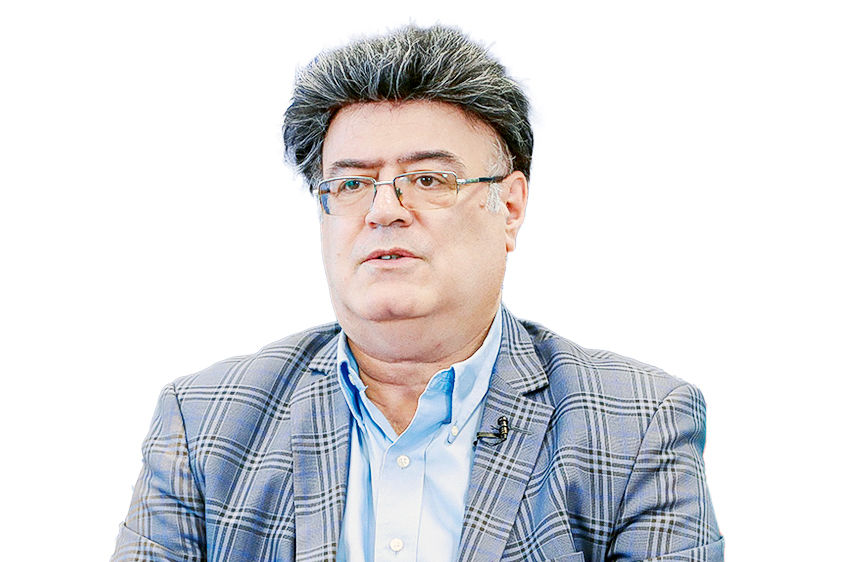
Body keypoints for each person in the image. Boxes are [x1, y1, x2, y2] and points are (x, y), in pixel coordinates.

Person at [112, 25, 723, 562]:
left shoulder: (636, 423)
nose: (384, 210)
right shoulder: (205, 421)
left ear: (509, 207)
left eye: (428, 179)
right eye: (351, 184)